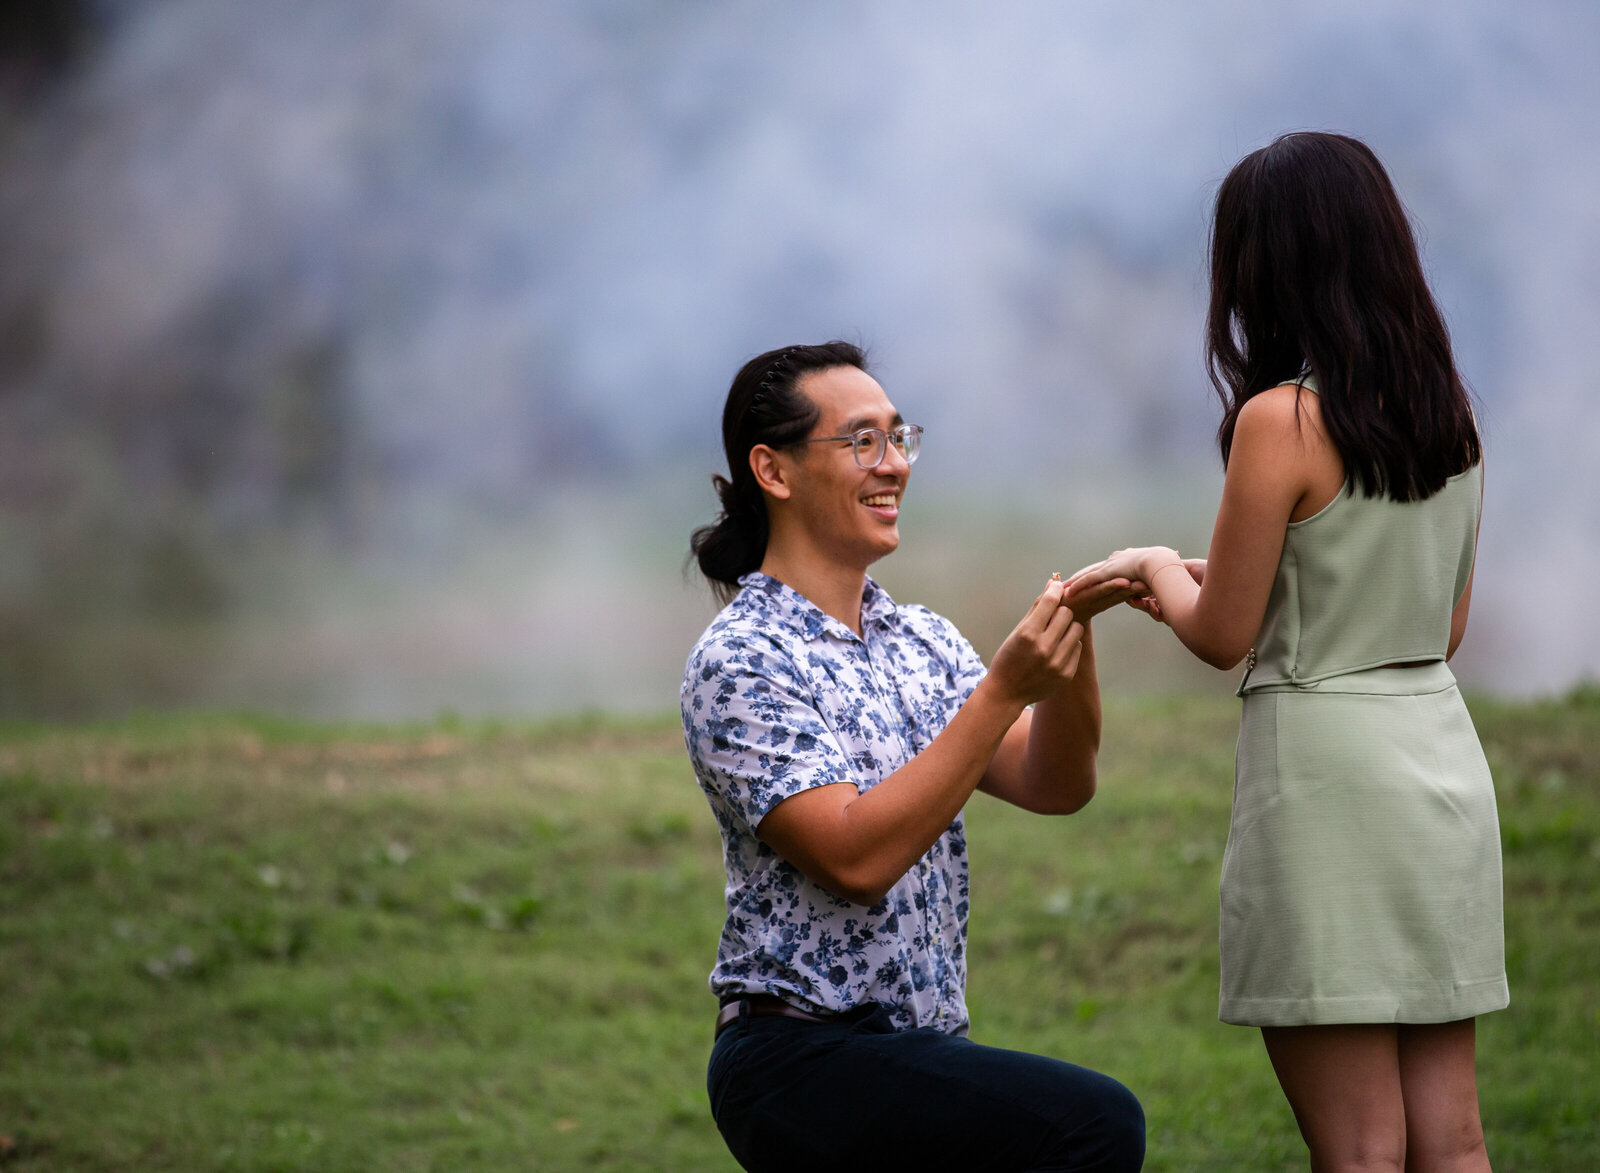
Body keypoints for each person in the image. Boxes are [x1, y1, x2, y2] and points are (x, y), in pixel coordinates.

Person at [1065, 132, 1505, 1172]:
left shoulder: (1280, 419)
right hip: (1438, 761)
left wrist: (1148, 567)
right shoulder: (1449, 416)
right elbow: (1438, 629)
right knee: (1452, 1139)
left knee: (1357, 1149)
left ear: (1262, 268)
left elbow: (1221, 631)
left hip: (1326, 782)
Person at [680, 341, 1147, 1173]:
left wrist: (1072, 644)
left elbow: (1057, 782)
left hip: (912, 1046)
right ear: (773, 470)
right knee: (1091, 1124)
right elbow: (856, 856)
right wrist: (1005, 689)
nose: (894, 464)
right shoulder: (741, 659)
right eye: (862, 441)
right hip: (796, 1058)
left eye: (900, 438)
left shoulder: (921, 639)